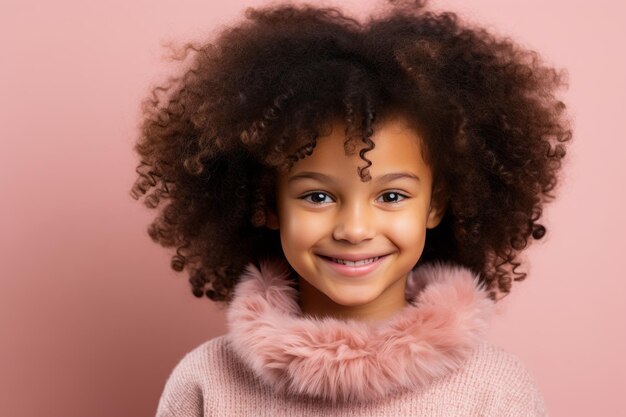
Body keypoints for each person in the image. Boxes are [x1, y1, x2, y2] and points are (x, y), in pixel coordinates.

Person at [130, 1, 571, 415]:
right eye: (318, 196)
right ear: (267, 204)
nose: (355, 229)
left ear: (435, 205)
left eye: (391, 196)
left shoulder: (494, 390)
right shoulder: (207, 381)